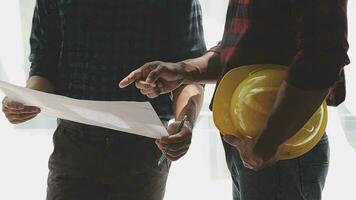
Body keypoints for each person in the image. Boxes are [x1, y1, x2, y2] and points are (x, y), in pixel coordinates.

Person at [119, 0, 350, 199]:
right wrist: (183, 71)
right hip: (256, 146)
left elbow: (323, 55)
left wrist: (268, 142)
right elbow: (237, 52)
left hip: (279, 150)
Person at [2, 0, 206, 199]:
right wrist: (26, 100)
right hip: (74, 145)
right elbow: (43, 66)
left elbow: (191, 72)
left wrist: (185, 121)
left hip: (143, 147)